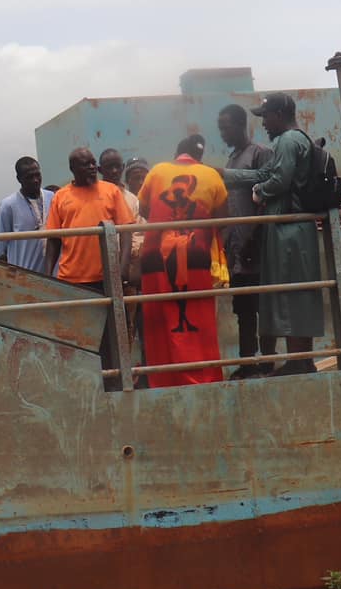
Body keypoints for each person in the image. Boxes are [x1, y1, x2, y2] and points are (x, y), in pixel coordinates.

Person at [222, 94, 325, 375]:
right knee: (295, 292)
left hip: (288, 227)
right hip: (291, 227)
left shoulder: (289, 141)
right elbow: (266, 171)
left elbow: (279, 179)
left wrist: (259, 193)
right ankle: (302, 358)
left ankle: (298, 360)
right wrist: (227, 176)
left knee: (291, 293)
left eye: (266, 117)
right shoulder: (289, 141)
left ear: (279, 114)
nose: (264, 123)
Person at [135, 142, 230, 386]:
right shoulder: (211, 175)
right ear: (200, 157)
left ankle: (165, 380)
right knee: (199, 318)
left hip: (156, 258)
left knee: (160, 318)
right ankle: (204, 378)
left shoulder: (156, 172)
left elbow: (145, 209)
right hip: (197, 257)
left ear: (176, 154)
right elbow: (222, 219)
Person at [217, 106, 276, 376]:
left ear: (241, 125)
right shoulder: (232, 159)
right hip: (237, 247)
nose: (222, 132)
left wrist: (254, 236)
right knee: (243, 308)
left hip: (256, 245)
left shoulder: (259, 153)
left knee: (263, 306)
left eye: (225, 126)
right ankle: (246, 363)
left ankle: (267, 361)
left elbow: (267, 197)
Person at [43, 147, 137, 285]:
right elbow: (53, 240)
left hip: (107, 277)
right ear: (73, 168)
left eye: (93, 163)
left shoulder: (111, 191)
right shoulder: (60, 197)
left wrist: (122, 269)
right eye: (86, 164)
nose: (92, 167)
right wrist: (47, 276)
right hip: (70, 278)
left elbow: (126, 231)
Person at [0, 157, 56, 275]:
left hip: (55, 278)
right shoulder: (8, 206)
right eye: (29, 177)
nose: (35, 180)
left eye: (37, 175)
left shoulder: (53, 198)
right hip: (24, 279)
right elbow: (0, 251)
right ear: (19, 179)